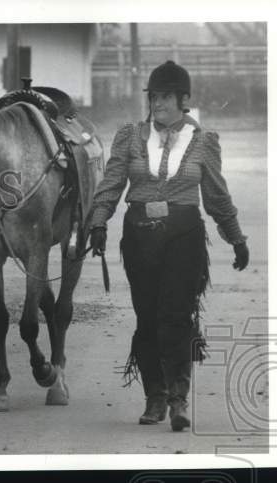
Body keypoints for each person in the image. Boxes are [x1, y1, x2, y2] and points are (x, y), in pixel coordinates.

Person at [88, 60, 250, 432]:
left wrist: (236, 236)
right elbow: (112, 183)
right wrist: (98, 222)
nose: (157, 102)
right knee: (147, 318)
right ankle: (155, 397)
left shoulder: (203, 141)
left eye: (165, 96)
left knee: (176, 316)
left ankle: (179, 399)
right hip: (139, 236)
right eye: (154, 96)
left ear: (183, 99)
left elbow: (216, 194)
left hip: (184, 237)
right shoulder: (130, 136)